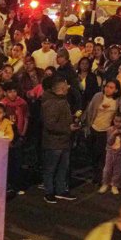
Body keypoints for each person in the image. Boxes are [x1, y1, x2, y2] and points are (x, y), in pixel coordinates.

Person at [39, 76, 77, 204]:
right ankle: (49, 192)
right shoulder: (51, 103)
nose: (68, 87)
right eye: (66, 86)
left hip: (64, 141)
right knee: (51, 168)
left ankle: (60, 190)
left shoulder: (61, 100)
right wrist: (68, 128)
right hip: (53, 143)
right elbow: (50, 125)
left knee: (62, 168)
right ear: (61, 89)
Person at [99, 112, 121, 195]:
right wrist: (113, 134)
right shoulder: (110, 129)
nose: (117, 123)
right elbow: (109, 142)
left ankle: (114, 185)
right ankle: (105, 183)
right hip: (110, 152)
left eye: (120, 122)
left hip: (119, 153)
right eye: (116, 121)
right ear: (113, 120)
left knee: (117, 170)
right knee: (107, 169)